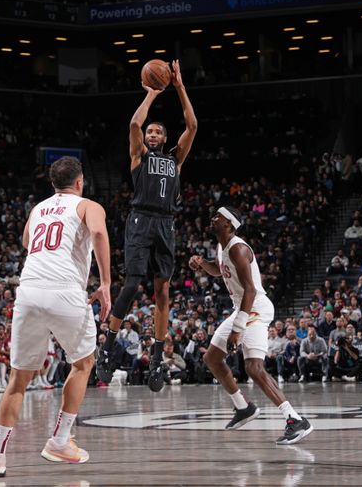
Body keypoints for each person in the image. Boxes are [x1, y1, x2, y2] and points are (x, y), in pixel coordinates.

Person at [0, 156, 111, 477]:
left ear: (53, 184)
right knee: (83, 363)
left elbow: (27, 241)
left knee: (18, 379)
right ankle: (60, 439)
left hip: (29, 289)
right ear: (80, 182)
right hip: (64, 289)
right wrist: (106, 283)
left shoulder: (38, 208)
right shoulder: (88, 205)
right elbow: (97, 233)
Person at [97, 59, 198, 392]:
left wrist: (180, 87)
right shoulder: (139, 154)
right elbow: (134, 125)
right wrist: (153, 93)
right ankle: (108, 345)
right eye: (151, 131)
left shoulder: (175, 159)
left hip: (166, 224)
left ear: (165, 138)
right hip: (141, 218)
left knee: (163, 291)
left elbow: (193, 126)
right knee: (132, 284)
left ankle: (157, 357)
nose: (152, 133)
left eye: (158, 131)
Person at [189, 207, 311, 445]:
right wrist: (203, 263)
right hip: (242, 308)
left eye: (218, 216)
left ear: (229, 224)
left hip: (255, 306)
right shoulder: (222, 247)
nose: (212, 218)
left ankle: (295, 419)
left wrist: (238, 327)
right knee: (212, 358)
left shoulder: (238, 248)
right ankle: (243, 408)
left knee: (254, 367)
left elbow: (251, 289)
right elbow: (219, 270)